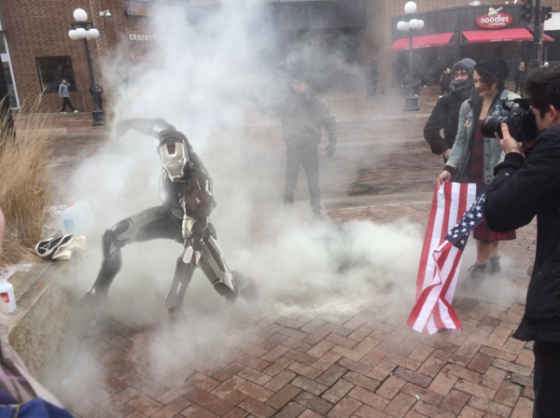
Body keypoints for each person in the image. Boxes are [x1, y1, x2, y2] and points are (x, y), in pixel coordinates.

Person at [85, 119, 254, 318]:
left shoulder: (198, 190)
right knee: (114, 235)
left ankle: (239, 280)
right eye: (168, 165)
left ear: (186, 159)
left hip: (194, 229)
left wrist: (176, 295)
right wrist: (130, 124)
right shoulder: (173, 140)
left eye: (178, 165)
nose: (174, 172)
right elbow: (157, 127)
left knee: (226, 289)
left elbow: (191, 251)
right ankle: (99, 290)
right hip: (167, 216)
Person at [483, 68, 560, 418]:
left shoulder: (555, 146)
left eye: (535, 115)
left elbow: (500, 213)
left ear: (553, 112)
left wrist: (512, 157)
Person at [437, 58, 519, 281]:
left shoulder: (513, 103)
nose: (478, 85)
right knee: (480, 219)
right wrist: (450, 168)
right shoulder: (468, 105)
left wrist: (503, 172)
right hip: (472, 168)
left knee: (494, 216)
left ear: (497, 79)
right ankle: (488, 263)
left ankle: (484, 266)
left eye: (483, 80)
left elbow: (513, 142)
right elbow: (461, 141)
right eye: (476, 80)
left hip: (499, 169)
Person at [253, 73, 337, 219]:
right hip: (293, 149)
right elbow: (269, 110)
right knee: (290, 183)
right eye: (293, 84)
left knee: (313, 183)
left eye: (298, 84)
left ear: (307, 85)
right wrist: (256, 101)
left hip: (310, 149)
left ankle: (316, 212)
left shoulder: (318, 104)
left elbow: (330, 122)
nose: (295, 86)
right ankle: (287, 213)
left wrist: (333, 141)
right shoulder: (286, 103)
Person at [424, 58, 476, 161]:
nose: (459, 78)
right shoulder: (446, 101)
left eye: (463, 74)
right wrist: (446, 150)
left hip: (480, 158)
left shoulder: (483, 98)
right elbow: (430, 129)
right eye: (456, 75)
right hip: (456, 160)